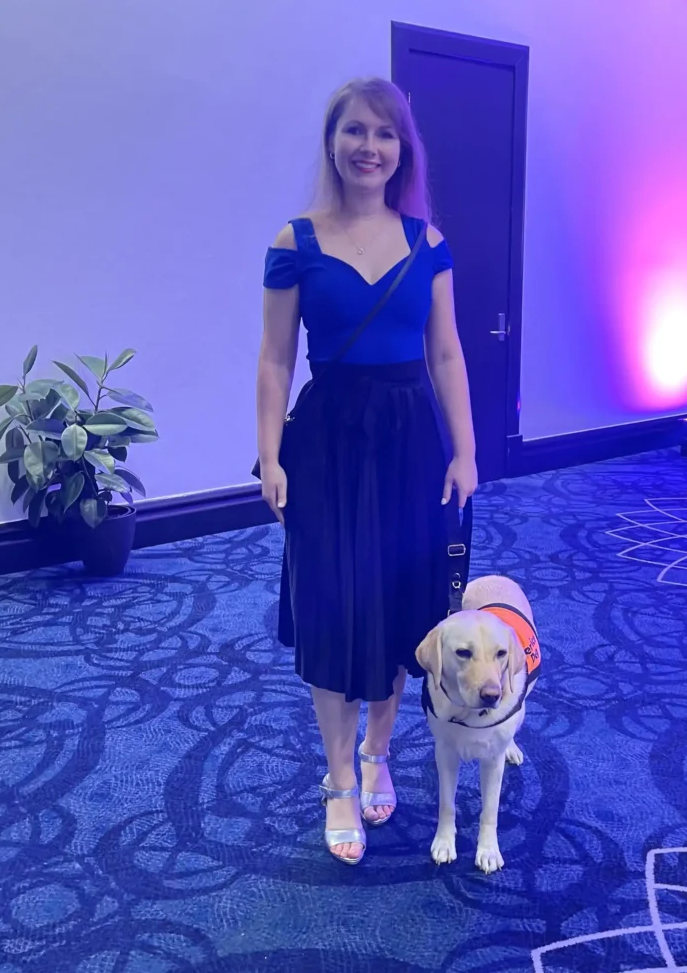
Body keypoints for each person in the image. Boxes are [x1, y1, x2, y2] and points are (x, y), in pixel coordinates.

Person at [255, 78, 477, 864]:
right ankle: (338, 776)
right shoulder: (295, 241)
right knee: (331, 603)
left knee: (398, 606)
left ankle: (380, 751)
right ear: (333, 142)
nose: (368, 147)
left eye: (384, 135)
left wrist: (466, 450)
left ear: (401, 151)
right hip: (328, 442)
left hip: (412, 438)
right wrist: (270, 454)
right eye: (354, 131)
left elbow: (445, 353)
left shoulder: (428, 243)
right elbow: (277, 358)